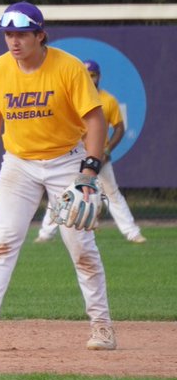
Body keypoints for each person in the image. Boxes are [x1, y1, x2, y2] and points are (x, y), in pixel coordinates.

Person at [0, 1, 117, 351]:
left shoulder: (68, 67)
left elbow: (95, 119)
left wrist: (89, 170)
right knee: (3, 240)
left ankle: (102, 326)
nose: (14, 41)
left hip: (66, 161)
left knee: (81, 246)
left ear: (40, 35)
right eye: (8, 34)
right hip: (19, 163)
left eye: (22, 34)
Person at [35, 60, 146, 244]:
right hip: (74, 155)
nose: (90, 78)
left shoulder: (107, 100)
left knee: (112, 194)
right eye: (86, 75)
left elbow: (119, 127)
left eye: (92, 75)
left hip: (99, 156)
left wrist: (107, 150)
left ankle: (132, 233)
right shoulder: (70, 98)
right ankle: (45, 234)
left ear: (98, 76)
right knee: (62, 194)